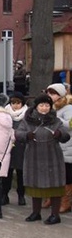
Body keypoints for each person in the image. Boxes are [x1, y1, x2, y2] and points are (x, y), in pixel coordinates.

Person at [15, 94, 70, 224]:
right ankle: (36, 212)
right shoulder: (28, 120)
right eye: (41, 105)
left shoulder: (55, 121)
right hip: (34, 156)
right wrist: (26, 135)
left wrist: (60, 134)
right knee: (35, 185)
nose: (44, 108)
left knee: (55, 186)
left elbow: (66, 135)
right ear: (36, 107)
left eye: (47, 105)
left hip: (52, 157)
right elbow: (18, 133)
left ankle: (55, 215)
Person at [47, 83, 72, 213]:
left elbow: (70, 125)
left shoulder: (68, 108)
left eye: (53, 93)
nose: (50, 96)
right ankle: (53, 197)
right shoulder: (51, 108)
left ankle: (66, 201)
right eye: (49, 93)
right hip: (54, 146)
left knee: (67, 175)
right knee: (54, 174)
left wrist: (55, 120)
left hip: (67, 147)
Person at [3, 92, 28, 206]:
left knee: (21, 173)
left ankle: (21, 195)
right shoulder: (5, 113)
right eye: (13, 102)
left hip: (22, 147)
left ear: (22, 103)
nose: (15, 105)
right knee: (6, 172)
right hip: (7, 147)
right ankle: (5, 194)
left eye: (18, 103)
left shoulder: (27, 115)